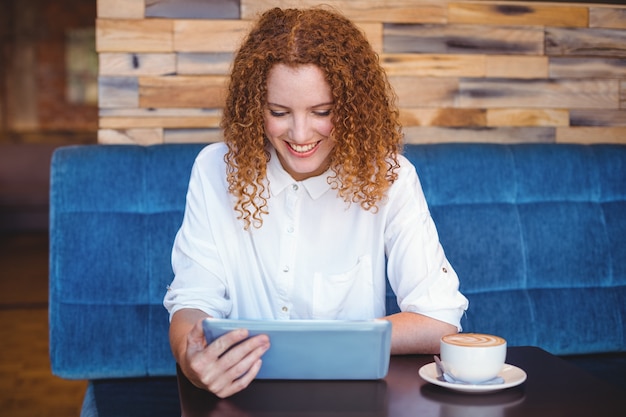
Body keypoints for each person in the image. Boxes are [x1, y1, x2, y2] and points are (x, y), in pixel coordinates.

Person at [164, 7, 468, 398]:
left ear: (352, 106)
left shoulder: (391, 176)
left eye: (322, 112)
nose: (301, 133)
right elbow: (192, 300)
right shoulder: (214, 169)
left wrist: (331, 343)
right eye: (279, 112)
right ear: (255, 106)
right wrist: (192, 361)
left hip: (352, 398)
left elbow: (439, 318)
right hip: (243, 396)